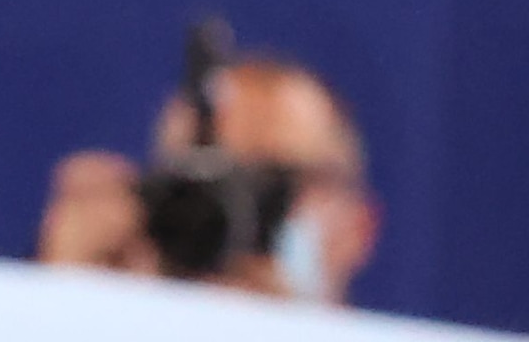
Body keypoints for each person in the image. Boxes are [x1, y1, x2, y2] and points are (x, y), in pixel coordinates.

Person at [37, 44, 379, 305]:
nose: (225, 212)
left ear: (358, 229)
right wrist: (63, 304)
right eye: (197, 180)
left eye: (268, 182)